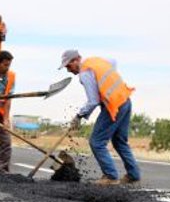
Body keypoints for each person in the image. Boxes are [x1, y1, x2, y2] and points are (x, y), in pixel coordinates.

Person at [60, 49, 141, 186]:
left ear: (76, 60)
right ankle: (133, 175)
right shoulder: (97, 61)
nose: (68, 70)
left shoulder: (85, 72)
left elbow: (93, 101)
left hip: (113, 106)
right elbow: (113, 62)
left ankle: (110, 176)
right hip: (124, 100)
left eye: (68, 66)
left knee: (96, 142)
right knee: (120, 141)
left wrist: (79, 116)